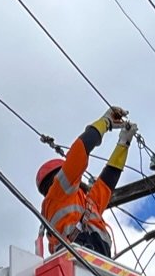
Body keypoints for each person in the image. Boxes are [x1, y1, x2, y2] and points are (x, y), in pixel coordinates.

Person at [35, 105, 134, 258]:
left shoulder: (85, 204)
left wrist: (123, 143)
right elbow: (80, 150)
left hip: (95, 263)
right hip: (76, 260)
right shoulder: (58, 192)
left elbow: (107, 182)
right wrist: (105, 122)